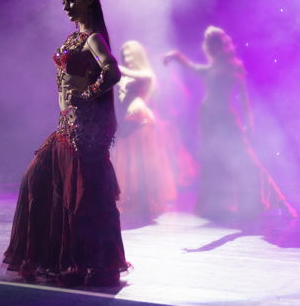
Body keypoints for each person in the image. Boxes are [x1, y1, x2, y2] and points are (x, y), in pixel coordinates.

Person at [3, 0, 129, 287]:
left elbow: (112, 71)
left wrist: (86, 95)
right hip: (67, 123)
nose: (66, 6)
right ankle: (58, 259)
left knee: (81, 194)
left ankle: (86, 263)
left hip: (85, 126)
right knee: (38, 179)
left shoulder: (94, 38)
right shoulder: (74, 38)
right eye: (63, 1)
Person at [164, 26, 296, 219]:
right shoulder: (213, 67)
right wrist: (177, 57)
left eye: (216, 43)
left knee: (249, 162)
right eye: (211, 44)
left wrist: (249, 124)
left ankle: (279, 202)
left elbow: (243, 97)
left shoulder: (234, 66)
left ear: (221, 45)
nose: (213, 47)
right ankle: (234, 206)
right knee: (219, 164)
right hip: (210, 121)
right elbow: (195, 69)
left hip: (226, 120)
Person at [112, 40, 176, 217]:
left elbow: (141, 76)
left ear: (138, 55)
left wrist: (114, 66)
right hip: (126, 122)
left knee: (143, 164)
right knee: (129, 164)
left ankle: (147, 203)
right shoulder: (122, 75)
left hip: (142, 122)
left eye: (130, 55)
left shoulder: (145, 74)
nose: (127, 59)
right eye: (124, 56)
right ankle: (134, 202)